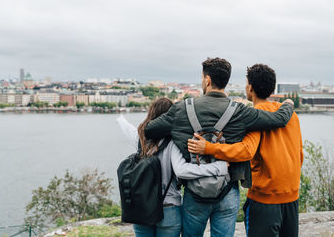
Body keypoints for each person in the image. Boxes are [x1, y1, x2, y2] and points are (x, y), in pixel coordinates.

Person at [144, 58, 295, 237]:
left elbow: (149, 130)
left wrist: (180, 135)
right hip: (227, 190)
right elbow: (278, 120)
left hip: (195, 192)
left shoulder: (181, 109)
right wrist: (288, 105)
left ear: (207, 80)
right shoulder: (241, 111)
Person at [188, 63, 303, 237]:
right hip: (292, 196)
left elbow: (245, 151)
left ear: (250, 87)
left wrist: (209, 148)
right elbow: (299, 154)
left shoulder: (255, 116)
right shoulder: (290, 115)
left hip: (264, 198)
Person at [117, 97, 229, 237]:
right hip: (168, 208)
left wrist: (120, 118)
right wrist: (219, 167)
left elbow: (127, 128)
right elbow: (182, 171)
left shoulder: (141, 139)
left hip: (142, 208)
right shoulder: (173, 143)